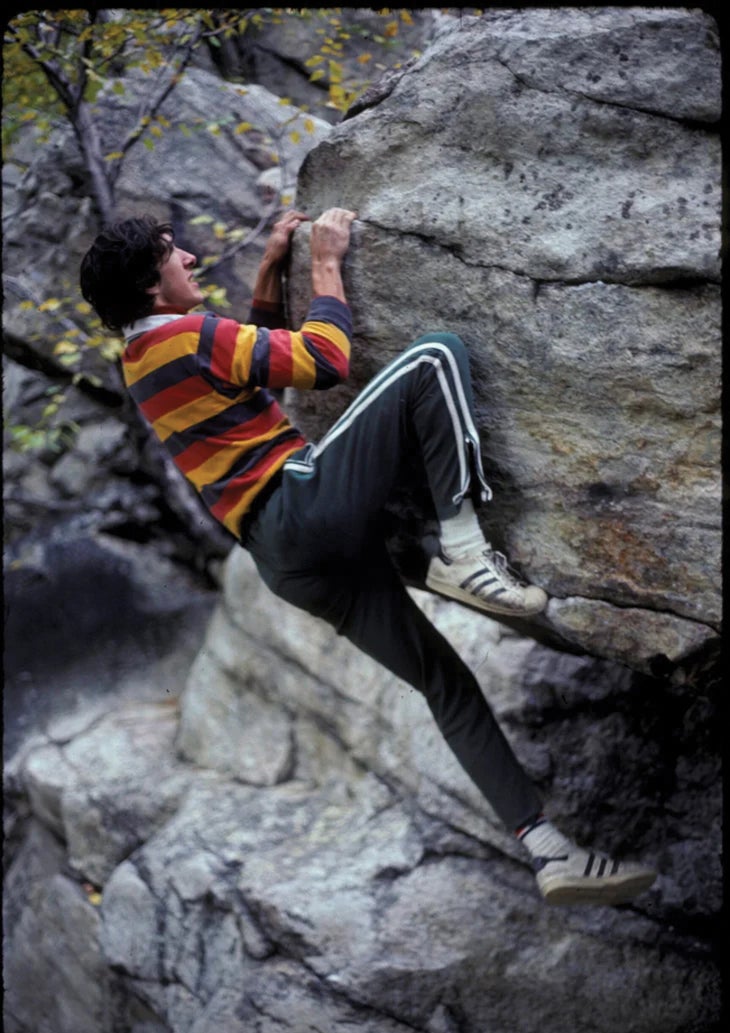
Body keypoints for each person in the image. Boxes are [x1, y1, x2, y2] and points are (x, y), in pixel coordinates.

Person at [80, 207, 657, 906]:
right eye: (175, 254)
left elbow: (251, 376)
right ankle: (465, 552)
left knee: (445, 685)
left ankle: (548, 850)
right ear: (150, 286)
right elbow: (324, 363)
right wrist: (325, 262)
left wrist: (268, 271)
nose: (192, 259)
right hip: (305, 505)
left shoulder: (144, 358)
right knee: (437, 354)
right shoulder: (190, 336)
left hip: (286, 561)